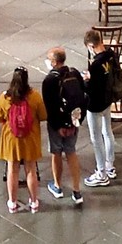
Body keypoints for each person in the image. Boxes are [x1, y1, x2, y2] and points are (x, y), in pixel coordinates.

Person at [41, 47, 88, 204]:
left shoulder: (49, 81)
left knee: (56, 153)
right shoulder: (74, 73)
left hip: (57, 125)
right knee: (71, 153)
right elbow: (82, 96)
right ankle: (76, 190)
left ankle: (57, 186)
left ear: (54, 62)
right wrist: (76, 122)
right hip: (73, 121)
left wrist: (58, 125)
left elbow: (50, 107)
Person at [0, 66, 43, 213]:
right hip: (30, 138)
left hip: (11, 139)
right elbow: (43, 115)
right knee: (31, 170)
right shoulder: (34, 96)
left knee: (12, 171)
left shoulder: (5, 97)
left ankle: (12, 202)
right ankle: (34, 201)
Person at [81, 27, 120, 184]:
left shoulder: (96, 64)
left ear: (91, 45)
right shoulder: (110, 54)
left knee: (96, 138)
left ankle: (101, 172)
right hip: (107, 99)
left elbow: (91, 88)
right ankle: (110, 165)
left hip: (95, 105)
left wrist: (85, 81)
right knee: (108, 132)